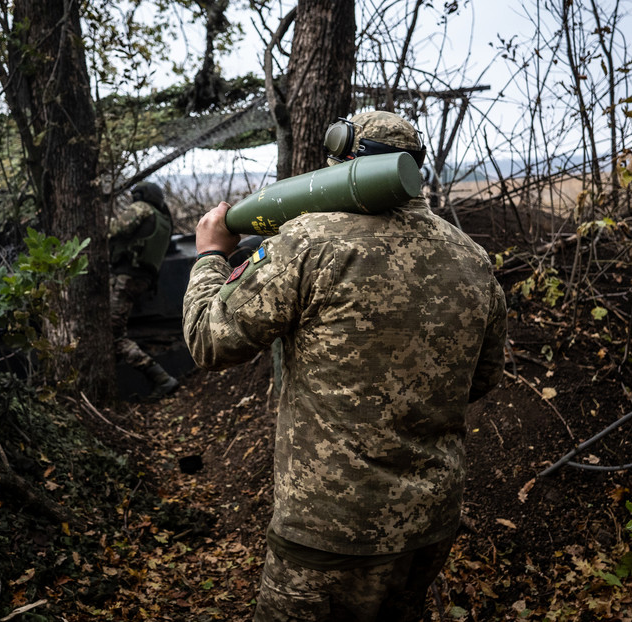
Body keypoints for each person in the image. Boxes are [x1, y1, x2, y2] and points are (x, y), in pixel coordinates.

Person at [182, 111, 507, 621]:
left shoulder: (310, 240)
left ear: (340, 165)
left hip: (329, 529)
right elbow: (483, 379)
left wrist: (209, 256)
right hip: (427, 525)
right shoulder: (471, 258)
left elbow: (209, 339)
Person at [109, 181, 180, 399]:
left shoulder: (142, 209)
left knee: (112, 336)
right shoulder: (164, 220)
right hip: (142, 279)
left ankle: (161, 378)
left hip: (125, 276)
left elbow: (113, 230)